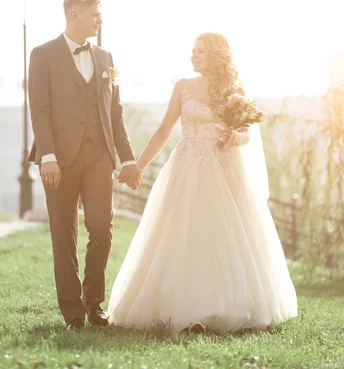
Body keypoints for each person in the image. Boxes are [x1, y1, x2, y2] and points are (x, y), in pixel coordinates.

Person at [107, 32, 298, 332]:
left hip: (225, 169)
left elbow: (247, 133)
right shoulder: (183, 87)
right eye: (192, 51)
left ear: (217, 55)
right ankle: (181, 304)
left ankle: (228, 303)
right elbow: (163, 132)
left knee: (227, 235)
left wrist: (234, 136)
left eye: (201, 52)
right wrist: (138, 166)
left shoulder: (235, 90)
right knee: (182, 233)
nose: (193, 56)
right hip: (188, 167)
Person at [27, 0, 141, 330]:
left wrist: (128, 158)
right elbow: (40, 108)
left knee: (102, 228)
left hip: (98, 156)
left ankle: (94, 302)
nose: (100, 20)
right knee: (64, 234)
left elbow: (115, 113)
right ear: (73, 14)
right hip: (58, 158)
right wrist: (47, 155)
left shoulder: (105, 58)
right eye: (94, 15)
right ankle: (72, 312)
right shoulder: (42, 54)